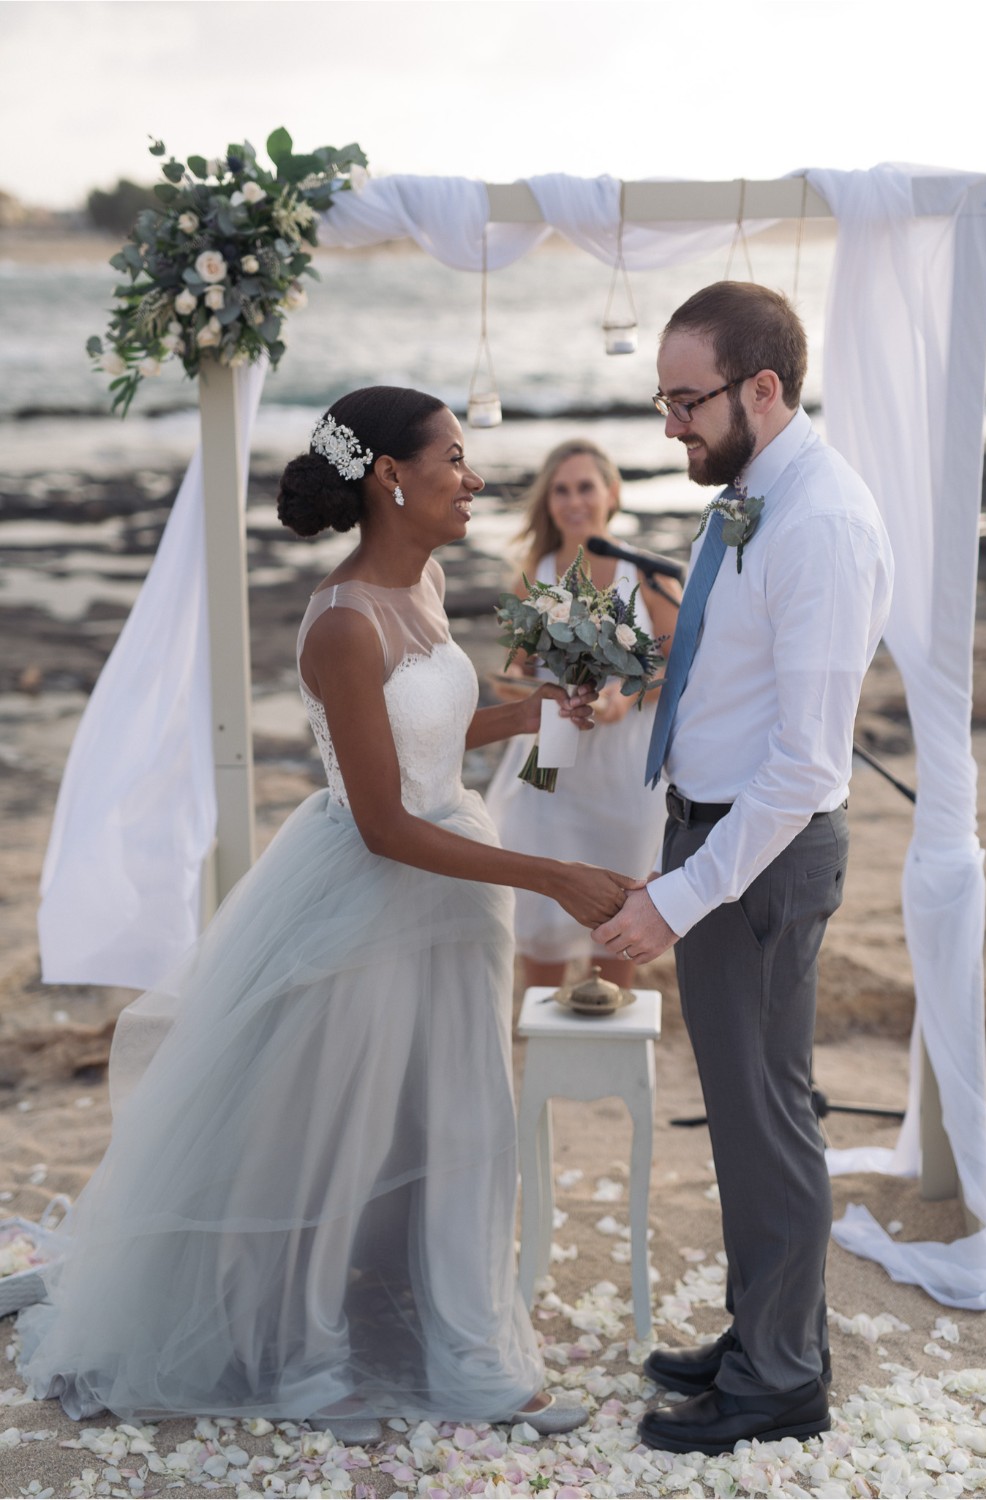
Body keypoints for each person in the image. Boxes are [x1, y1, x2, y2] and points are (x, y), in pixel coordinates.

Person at [17, 386, 645, 1443]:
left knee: (462, 1123)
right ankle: (302, 1359)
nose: (475, 478)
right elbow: (383, 823)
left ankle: (468, 1351)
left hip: (461, 895)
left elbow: (435, 740)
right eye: (453, 458)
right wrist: (550, 876)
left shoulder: (429, 582)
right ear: (391, 477)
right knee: (334, 1136)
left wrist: (536, 706)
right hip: (371, 899)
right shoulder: (341, 624)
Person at [593, 283, 894, 1455]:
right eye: (662, 399)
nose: (671, 425)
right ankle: (765, 1331)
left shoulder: (817, 522)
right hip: (717, 837)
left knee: (766, 1117)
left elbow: (806, 763)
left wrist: (677, 895)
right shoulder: (754, 495)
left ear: (761, 389)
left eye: (686, 400)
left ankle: (779, 1380)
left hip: (754, 857)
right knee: (743, 1111)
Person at [486, 439, 679, 991]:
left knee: (619, 926)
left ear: (611, 493)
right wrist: (537, 700)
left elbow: (684, 668)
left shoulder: (642, 573)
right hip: (552, 775)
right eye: (561, 490)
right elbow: (512, 678)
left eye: (585, 487)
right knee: (542, 925)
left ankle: (609, 1064)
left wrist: (625, 697)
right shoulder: (536, 576)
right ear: (548, 503)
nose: (574, 501)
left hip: (623, 777)